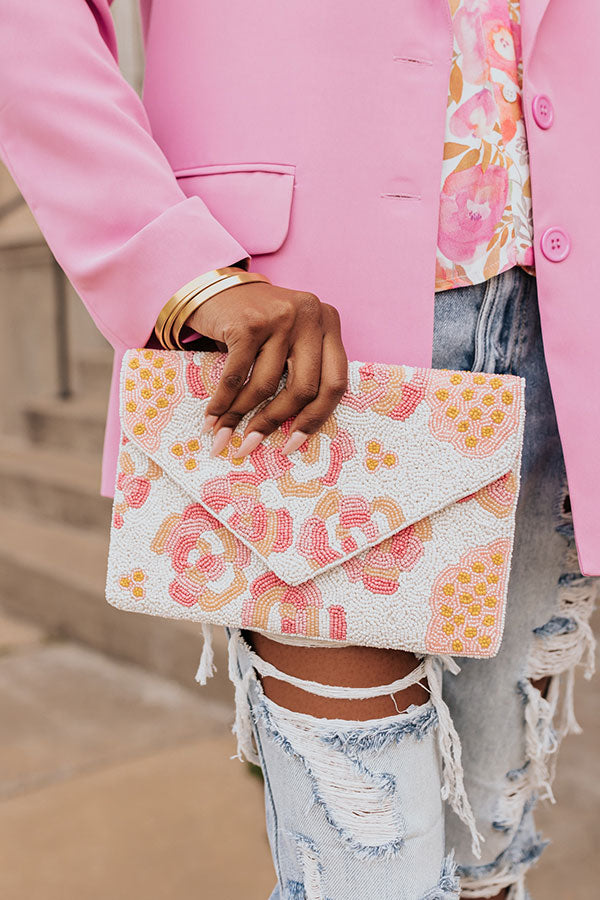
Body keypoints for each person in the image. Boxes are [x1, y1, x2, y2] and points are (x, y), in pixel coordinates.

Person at [1, 1, 598, 897]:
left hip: (562, 339)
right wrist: (177, 268)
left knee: (488, 857)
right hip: (312, 360)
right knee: (367, 876)